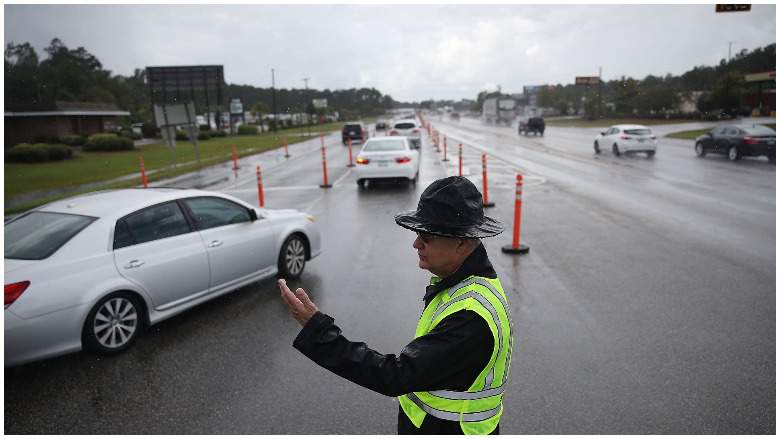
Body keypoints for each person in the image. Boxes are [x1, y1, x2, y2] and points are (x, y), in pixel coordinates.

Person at [278, 176, 513, 435]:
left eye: (427, 235)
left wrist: (318, 331)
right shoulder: (467, 283)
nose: (416, 243)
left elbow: (396, 376)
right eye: (417, 233)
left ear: (462, 241)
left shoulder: (470, 316)